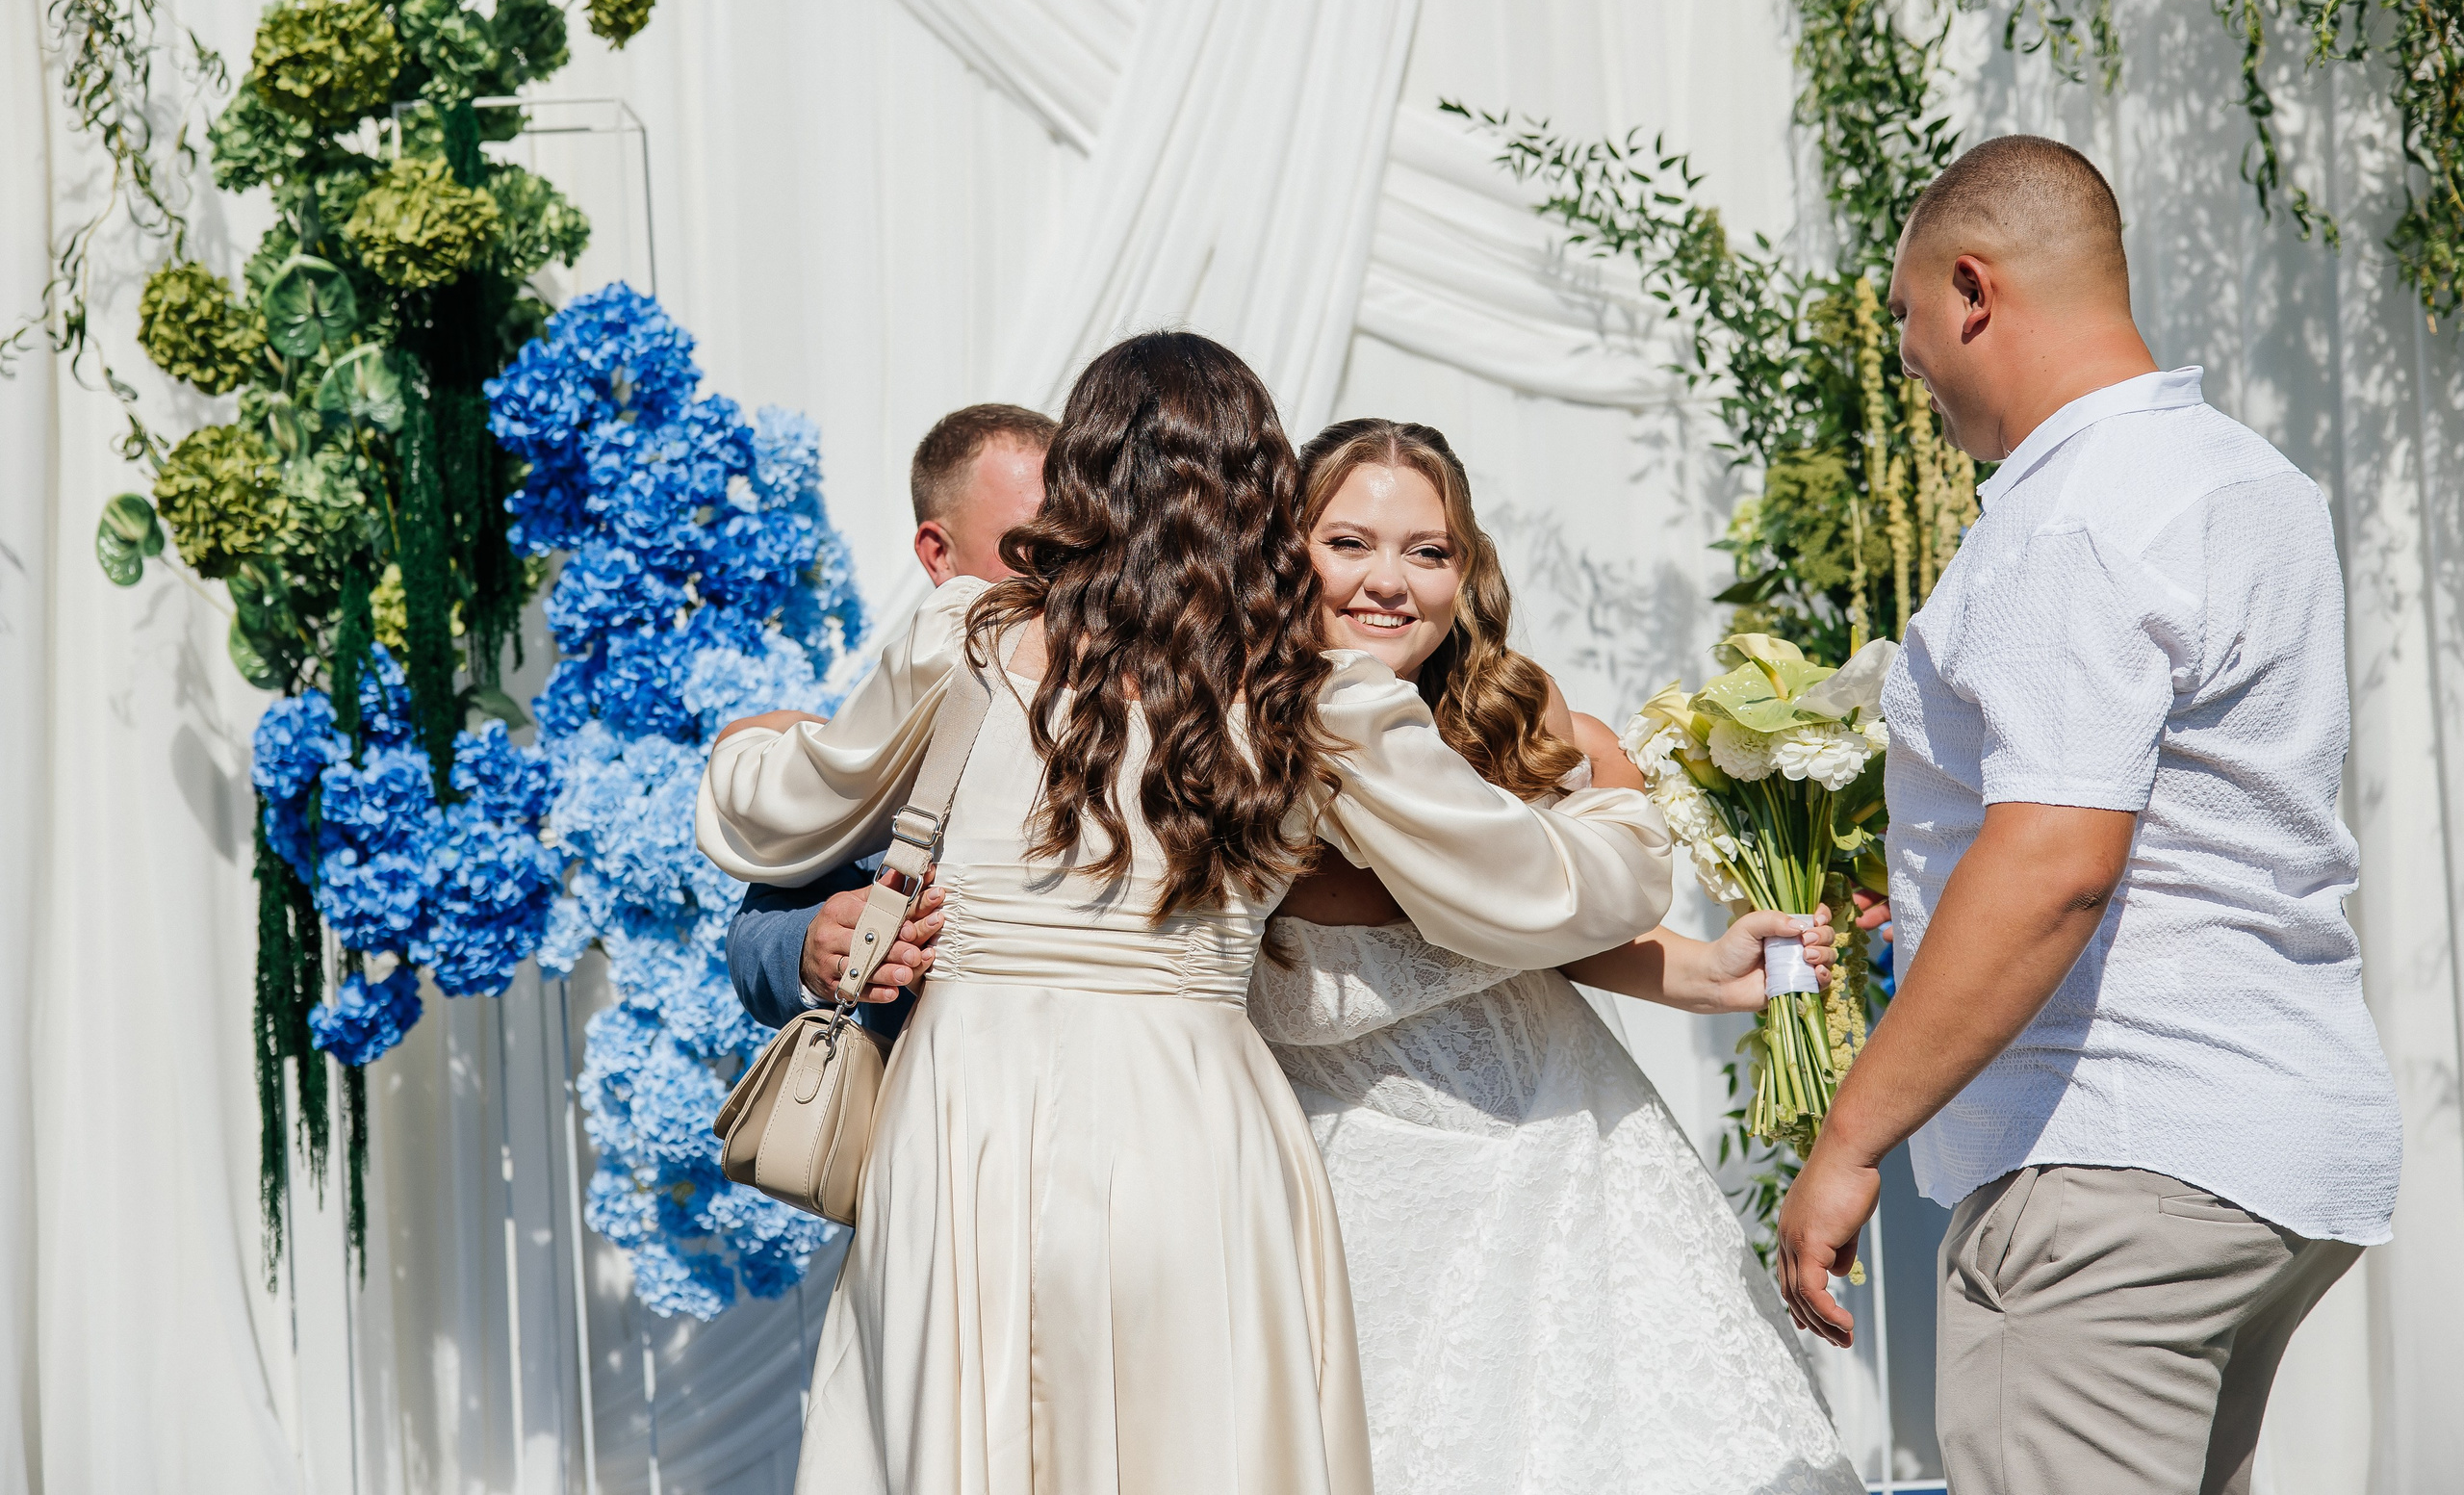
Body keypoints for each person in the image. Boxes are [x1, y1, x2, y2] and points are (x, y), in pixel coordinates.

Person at [697, 333, 1672, 1495]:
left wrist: (738, 748)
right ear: (1264, 489)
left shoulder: (966, 637)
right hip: (1194, 1121)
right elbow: (1540, 889)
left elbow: (768, 817)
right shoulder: (1316, 692)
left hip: (968, 1118)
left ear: (1082, 479)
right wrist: (1628, 823)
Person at [1772, 136, 2402, 1495]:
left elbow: (2056, 862)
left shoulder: (2068, 519)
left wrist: (1848, 1138)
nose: (1912, 363)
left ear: (1975, 289)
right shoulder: (2253, 482)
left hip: (2114, 1144)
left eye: (1906, 320)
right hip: (2275, 1143)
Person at [1246, 418, 1863, 1495]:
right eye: (1347, 543)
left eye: (1428, 552)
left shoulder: (1535, 742)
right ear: (1282, 553)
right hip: (1341, 1204)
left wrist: (1715, 968)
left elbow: (1566, 940)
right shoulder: (1217, 759)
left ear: (1466, 572)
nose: (1390, 582)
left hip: (1568, 1163)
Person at [725, 402, 1056, 1039]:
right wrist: (808, 944)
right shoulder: (890, 722)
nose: (1062, 568)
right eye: (1032, 543)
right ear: (938, 553)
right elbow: (752, 935)